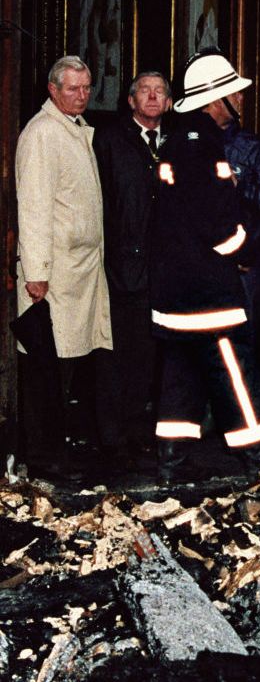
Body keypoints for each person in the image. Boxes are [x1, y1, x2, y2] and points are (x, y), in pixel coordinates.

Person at [150, 50, 260, 482]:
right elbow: (221, 228)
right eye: (232, 94)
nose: (238, 101)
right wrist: (243, 250)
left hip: (174, 293)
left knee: (180, 376)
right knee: (235, 376)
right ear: (214, 100)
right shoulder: (206, 147)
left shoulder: (174, 142)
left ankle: (170, 463)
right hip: (210, 293)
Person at [15, 55, 113, 478]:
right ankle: (43, 457)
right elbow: (33, 208)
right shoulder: (41, 135)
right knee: (45, 367)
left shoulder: (73, 130)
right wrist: (35, 272)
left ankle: (60, 448)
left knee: (69, 363)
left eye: (87, 87)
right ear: (52, 90)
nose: (82, 95)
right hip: (55, 275)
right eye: (72, 88)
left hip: (80, 271)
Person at [93, 71, 172, 468]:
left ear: (169, 103)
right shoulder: (109, 140)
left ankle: (137, 431)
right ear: (130, 100)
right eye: (145, 90)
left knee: (148, 354)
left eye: (160, 92)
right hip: (118, 266)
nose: (153, 96)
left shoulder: (172, 144)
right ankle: (112, 439)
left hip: (159, 270)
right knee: (114, 353)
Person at [194, 48, 260, 392]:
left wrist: (242, 184)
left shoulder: (252, 148)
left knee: (240, 340)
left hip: (243, 266)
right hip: (202, 262)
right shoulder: (190, 141)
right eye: (235, 92)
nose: (242, 98)